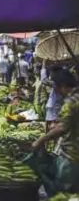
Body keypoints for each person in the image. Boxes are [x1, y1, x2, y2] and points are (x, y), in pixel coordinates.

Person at [29, 69, 79, 197]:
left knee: (65, 193)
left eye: (56, 87)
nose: (56, 90)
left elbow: (63, 128)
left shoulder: (71, 102)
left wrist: (40, 140)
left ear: (62, 86)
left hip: (72, 154)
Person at [41, 62, 63, 131]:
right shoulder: (58, 80)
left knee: (53, 128)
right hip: (53, 108)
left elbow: (44, 80)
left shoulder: (57, 82)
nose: (50, 74)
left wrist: (44, 64)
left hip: (55, 110)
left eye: (51, 72)